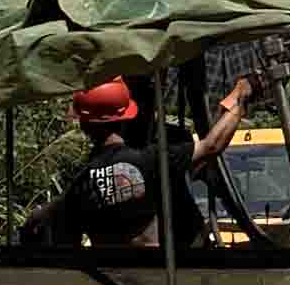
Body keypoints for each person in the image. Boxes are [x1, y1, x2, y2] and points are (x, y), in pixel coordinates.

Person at [29, 72, 261, 250]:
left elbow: (62, 236)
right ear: (125, 119)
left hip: (108, 283)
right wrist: (240, 95)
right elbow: (212, 145)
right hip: (151, 278)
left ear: (84, 125)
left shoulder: (81, 183)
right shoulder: (152, 160)